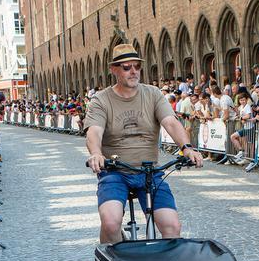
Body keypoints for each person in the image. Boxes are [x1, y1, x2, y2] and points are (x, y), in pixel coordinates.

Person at [85, 43, 202, 246]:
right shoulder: (101, 100)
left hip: (150, 172)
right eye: (126, 67)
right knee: (111, 224)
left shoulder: (153, 94)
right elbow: (94, 131)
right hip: (115, 172)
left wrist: (187, 147)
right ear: (114, 69)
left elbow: (170, 122)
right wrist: (96, 153)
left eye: (137, 67)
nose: (133, 72)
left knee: (172, 227)